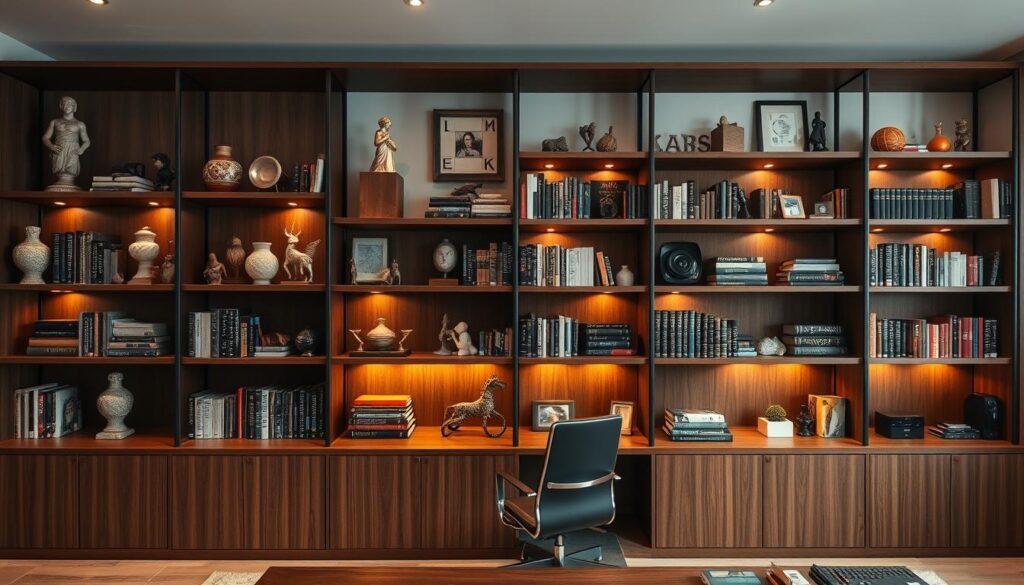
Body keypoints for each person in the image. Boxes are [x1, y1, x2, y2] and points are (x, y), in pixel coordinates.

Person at [42, 96, 90, 191]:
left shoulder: (80, 124)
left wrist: (81, 149)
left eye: (70, 104)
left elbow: (86, 141)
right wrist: (51, 146)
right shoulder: (55, 122)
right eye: (64, 103)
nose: (67, 106)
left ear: (74, 107)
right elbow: (45, 137)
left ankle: (68, 180)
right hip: (59, 149)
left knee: (70, 169)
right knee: (59, 167)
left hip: (72, 150)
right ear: (61, 106)